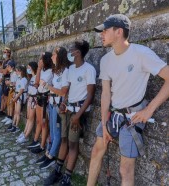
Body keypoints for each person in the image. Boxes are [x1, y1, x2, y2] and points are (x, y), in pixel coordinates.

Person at [87, 14, 169, 186]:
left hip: (132, 118)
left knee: (125, 170)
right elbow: (106, 94)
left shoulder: (141, 54)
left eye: (105, 30)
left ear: (119, 32)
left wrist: (149, 109)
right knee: (96, 151)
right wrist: (103, 123)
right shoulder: (105, 60)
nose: (101, 34)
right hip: (112, 116)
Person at [44, 40, 96, 186]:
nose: (69, 53)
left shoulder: (89, 69)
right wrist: (63, 102)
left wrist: (78, 116)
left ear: (77, 53)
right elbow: (70, 88)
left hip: (77, 113)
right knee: (64, 140)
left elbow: (90, 96)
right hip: (67, 110)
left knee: (73, 145)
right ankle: (57, 171)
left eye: (71, 50)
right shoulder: (71, 69)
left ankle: (66, 177)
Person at [36, 47, 71, 169]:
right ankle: (48, 153)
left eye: (54, 54)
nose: (51, 57)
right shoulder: (57, 71)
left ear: (59, 56)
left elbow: (63, 92)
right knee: (52, 131)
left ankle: (51, 156)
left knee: (56, 133)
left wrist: (48, 86)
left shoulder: (65, 71)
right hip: (51, 103)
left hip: (57, 104)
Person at [27, 52, 53, 154]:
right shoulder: (42, 70)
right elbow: (36, 83)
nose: (39, 61)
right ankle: (36, 141)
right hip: (39, 96)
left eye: (41, 59)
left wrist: (39, 69)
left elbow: (39, 83)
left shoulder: (51, 71)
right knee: (39, 122)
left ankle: (42, 146)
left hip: (45, 97)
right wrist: (38, 69)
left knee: (43, 123)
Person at [16, 61, 38, 144]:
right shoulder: (32, 77)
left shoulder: (37, 77)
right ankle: (24, 133)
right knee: (28, 117)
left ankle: (26, 136)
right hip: (30, 99)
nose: (28, 69)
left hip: (34, 99)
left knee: (31, 118)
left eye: (29, 67)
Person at [9, 65, 28, 133]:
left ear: (21, 71)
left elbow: (21, 90)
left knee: (17, 112)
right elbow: (17, 89)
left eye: (17, 71)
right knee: (15, 112)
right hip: (17, 95)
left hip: (20, 96)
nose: (16, 72)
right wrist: (14, 96)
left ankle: (16, 126)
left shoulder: (24, 79)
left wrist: (16, 97)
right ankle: (13, 124)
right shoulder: (18, 79)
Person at [0, 48, 13, 118]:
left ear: (8, 53)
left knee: (6, 97)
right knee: (3, 96)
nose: (4, 53)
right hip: (4, 79)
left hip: (8, 80)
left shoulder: (10, 62)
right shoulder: (4, 62)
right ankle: (1, 110)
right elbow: (0, 70)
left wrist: (2, 70)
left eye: (5, 52)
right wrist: (3, 70)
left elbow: (5, 71)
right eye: (3, 52)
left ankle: (6, 113)